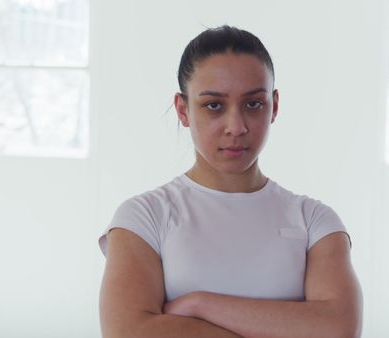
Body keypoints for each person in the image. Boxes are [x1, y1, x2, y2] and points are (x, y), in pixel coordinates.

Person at [98, 25, 363, 338]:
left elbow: (338, 328)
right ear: (183, 110)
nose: (236, 127)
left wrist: (199, 305)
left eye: (253, 104)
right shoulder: (142, 218)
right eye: (214, 105)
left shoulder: (315, 221)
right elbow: (129, 331)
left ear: (274, 106)